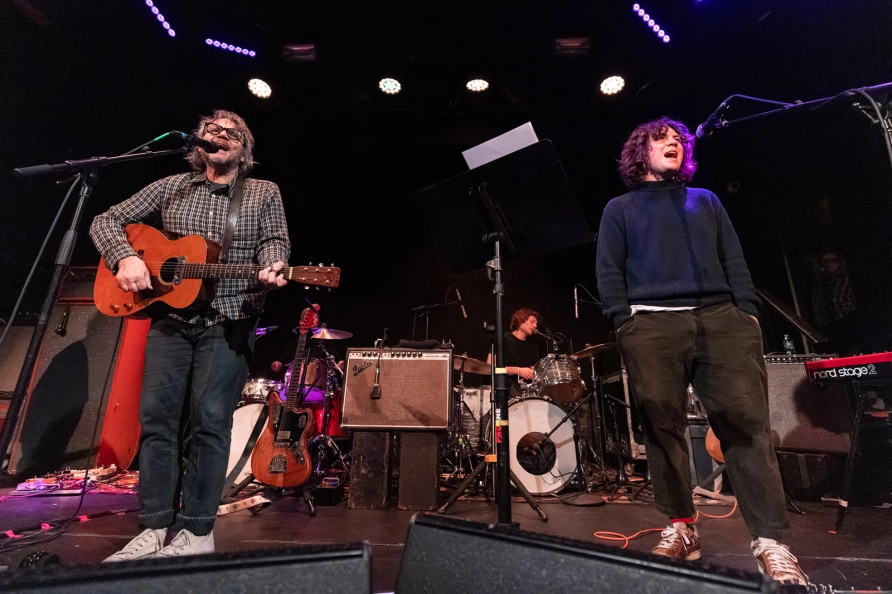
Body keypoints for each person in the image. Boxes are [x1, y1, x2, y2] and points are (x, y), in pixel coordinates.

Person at [595, 117, 807, 585]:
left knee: (746, 427)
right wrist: (624, 321)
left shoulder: (704, 200)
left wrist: (746, 312)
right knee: (661, 427)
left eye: (679, 140)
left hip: (720, 319)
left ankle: (771, 541)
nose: (674, 142)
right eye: (662, 138)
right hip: (650, 324)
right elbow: (608, 269)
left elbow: (735, 258)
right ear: (640, 152)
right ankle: (681, 527)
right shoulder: (620, 208)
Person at [90, 110, 291, 560]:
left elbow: (274, 241)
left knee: (210, 422)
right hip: (170, 322)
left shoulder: (261, 192)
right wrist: (126, 259)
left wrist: (276, 265)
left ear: (244, 148)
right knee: (157, 422)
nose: (219, 136)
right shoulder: (171, 186)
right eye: (211, 130)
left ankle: (198, 531)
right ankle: (154, 527)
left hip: (230, 320)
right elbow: (105, 220)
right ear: (196, 141)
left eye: (231, 132)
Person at [486, 308, 549, 397]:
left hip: (525, 391)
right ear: (520, 321)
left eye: (536, 323)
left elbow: (533, 370)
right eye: (532, 322)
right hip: (503, 389)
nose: (535, 325)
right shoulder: (503, 339)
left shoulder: (532, 346)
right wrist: (518, 370)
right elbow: (490, 366)